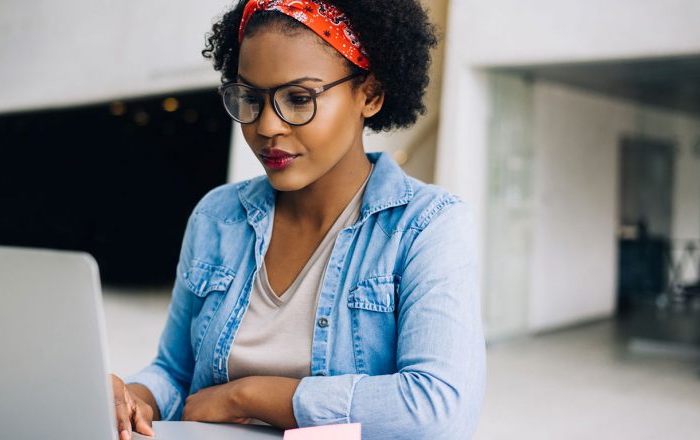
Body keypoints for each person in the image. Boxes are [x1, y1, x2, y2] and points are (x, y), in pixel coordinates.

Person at [108, 1, 485, 439]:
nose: (267, 126)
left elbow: (437, 410)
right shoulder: (218, 217)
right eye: (251, 98)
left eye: (299, 98)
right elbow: (176, 372)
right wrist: (134, 397)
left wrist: (245, 395)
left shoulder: (427, 226)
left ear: (371, 94)